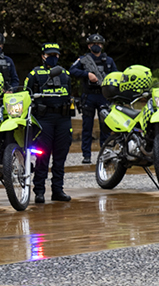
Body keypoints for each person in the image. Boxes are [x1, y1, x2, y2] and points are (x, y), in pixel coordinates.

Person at [25, 42, 74, 203]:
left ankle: (57, 190)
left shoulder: (65, 74)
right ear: (43, 56)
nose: (53, 58)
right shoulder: (34, 74)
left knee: (60, 157)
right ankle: (39, 191)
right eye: (49, 55)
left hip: (63, 119)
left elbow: (70, 96)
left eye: (55, 55)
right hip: (44, 120)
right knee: (43, 156)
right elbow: (26, 96)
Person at [71, 33, 116, 164]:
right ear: (89, 46)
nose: (96, 46)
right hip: (89, 96)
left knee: (106, 126)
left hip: (103, 95)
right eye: (93, 44)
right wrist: (87, 74)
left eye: (99, 44)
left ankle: (105, 152)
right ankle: (86, 155)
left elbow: (116, 74)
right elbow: (72, 70)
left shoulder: (109, 61)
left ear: (102, 45)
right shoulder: (83, 60)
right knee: (87, 126)